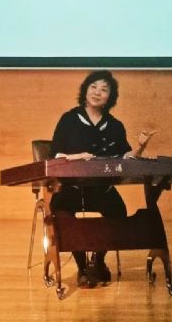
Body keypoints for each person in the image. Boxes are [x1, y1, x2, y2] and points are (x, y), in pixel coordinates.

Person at [50, 70, 157, 288]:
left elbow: (124, 158)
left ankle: (97, 261)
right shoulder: (69, 119)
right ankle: (82, 267)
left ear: (110, 97)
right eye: (93, 87)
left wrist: (140, 147)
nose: (97, 92)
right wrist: (78, 156)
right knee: (60, 210)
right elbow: (56, 155)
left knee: (117, 210)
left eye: (104, 89)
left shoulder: (115, 125)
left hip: (101, 189)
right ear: (85, 91)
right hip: (71, 188)